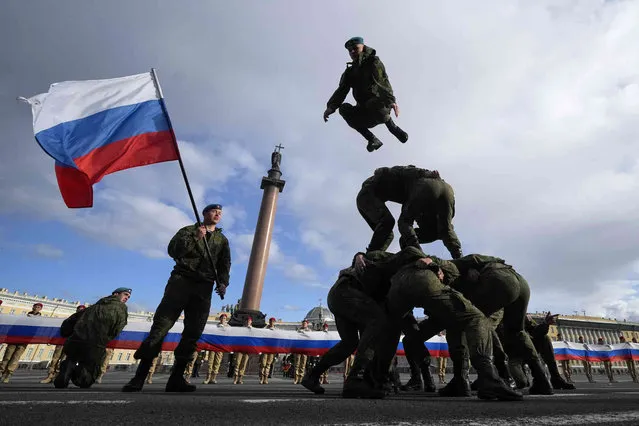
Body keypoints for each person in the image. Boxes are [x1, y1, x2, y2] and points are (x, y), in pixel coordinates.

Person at [376, 253, 524, 401]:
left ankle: (478, 378)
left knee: (470, 323)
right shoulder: (453, 271)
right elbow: (450, 262)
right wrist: (432, 261)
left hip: (444, 309)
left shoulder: (474, 282)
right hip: (440, 309)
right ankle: (476, 379)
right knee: (470, 321)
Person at [122, 203, 231, 393]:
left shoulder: (222, 240)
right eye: (214, 211)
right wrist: (196, 238)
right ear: (205, 213)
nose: (217, 215)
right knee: (160, 327)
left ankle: (177, 378)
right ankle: (139, 377)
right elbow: (173, 251)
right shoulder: (189, 231)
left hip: (204, 287)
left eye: (220, 213)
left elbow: (224, 264)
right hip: (181, 282)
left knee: (193, 333)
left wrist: (223, 283)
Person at [356, 166, 461, 260]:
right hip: (447, 189)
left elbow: (406, 224)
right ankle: (459, 256)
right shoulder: (415, 182)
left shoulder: (420, 199)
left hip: (427, 186)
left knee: (398, 225)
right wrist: (423, 173)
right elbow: (447, 229)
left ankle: (416, 255)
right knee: (445, 228)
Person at [324, 36, 407, 152]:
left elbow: (382, 81)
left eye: (355, 48)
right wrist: (331, 107)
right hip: (364, 112)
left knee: (372, 102)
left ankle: (392, 127)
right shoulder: (350, 72)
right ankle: (372, 139)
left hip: (380, 107)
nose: (352, 52)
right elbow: (342, 90)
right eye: (349, 50)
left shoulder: (373, 62)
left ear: (363, 47)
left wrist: (392, 101)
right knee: (344, 109)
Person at [54, 288, 130, 389]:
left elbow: (72, 319)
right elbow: (118, 328)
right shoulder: (121, 308)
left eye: (128, 297)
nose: (127, 298)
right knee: (89, 373)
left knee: (71, 358)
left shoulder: (95, 305)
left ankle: (66, 371)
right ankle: (80, 377)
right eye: (125, 295)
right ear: (116, 294)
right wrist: (107, 338)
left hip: (75, 340)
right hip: (96, 343)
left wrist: (66, 334)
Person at [40, 305, 86, 384]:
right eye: (79, 310)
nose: (79, 311)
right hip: (61, 341)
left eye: (81, 310)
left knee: (64, 360)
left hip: (70, 343)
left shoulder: (83, 322)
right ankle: (50, 375)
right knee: (55, 358)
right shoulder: (70, 319)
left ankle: (58, 375)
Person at [0, 302, 43, 383]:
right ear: (32, 307)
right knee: (7, 356)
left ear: (40, 309)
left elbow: (38, 330)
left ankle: (8, 374)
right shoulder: (24, 317)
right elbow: (15, 326)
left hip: (24, 340)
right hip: (14, 338)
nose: (36, 308)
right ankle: (1, 371)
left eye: (38, 307)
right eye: (35, 306)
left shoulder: (40, 320)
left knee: (16, 357)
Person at [204, 313, 230, 384]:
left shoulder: (228, 327)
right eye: (222, 318)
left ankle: (213, 378)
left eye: (224, 318)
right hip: (213, 346)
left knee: (217, 362)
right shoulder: (215, 326)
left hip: (220, 347)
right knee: (210, 362)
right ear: (220, 319)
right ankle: (208, 378)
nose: (223, 319)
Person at [258, 317, 277, 384]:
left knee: (268, 364)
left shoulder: (276, 330)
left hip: (272, 349)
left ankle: (266, 378)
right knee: (263, 364)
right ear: (269, 322)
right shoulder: (265, 329)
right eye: (271, 321)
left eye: (273, 321)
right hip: (265, 348)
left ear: (274, 322)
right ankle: (261, 378)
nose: (272, 322)